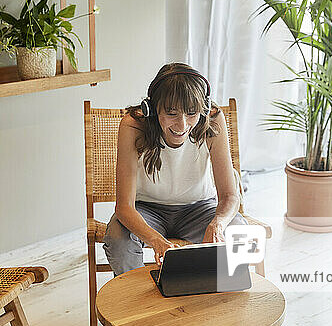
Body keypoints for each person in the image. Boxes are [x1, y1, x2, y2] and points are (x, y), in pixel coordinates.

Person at [103, 62, 247, 276]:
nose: (182, 125)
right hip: (147, 209)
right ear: (152, 109)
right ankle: (136, 302)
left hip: (199, 208)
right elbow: (124, 207)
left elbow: (229, 196)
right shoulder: (133, 125)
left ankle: (218, 302)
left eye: (191, 114)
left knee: (239, 231)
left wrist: (217, 224)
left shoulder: (213, 119)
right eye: (171, 114)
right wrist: (156, 240)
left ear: (203, 109)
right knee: (117, 238)